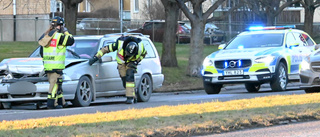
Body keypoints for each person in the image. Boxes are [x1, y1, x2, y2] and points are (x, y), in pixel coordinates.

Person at [88, 35, 147, 104]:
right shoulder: (119, 44)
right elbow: (106, 49)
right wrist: (96, 57)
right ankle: (133, 94)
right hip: (121, 63)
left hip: (132, 62)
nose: (127, 55)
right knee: (124, 79)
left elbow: (144, 54)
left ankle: (130, 98)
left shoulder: (140, 47)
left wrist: (137, 61)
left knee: (129, 76)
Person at [38, 16, 74, 109]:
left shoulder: (45, 36)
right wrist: (66, 31)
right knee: (54, 86)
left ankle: (61, 102)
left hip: (48, 65)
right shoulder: (60, 36)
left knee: (58, 85)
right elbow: (71, 40)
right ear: (60, 26)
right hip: (56, 65)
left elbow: (41, 52)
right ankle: (51, 104)